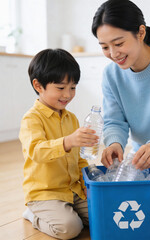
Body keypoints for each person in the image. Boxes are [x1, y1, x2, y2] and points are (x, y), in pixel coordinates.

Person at [92, 0, 150, 223]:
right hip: (142, 160)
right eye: (105, 47)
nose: (113, 53)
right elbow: (115, 120)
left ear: (140, 32)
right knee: (119, 204)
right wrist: (114, 142)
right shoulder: (111, 75)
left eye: (118, 43)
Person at [19, 49, 98, 239]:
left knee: (102, 215)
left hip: (72, 189)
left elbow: (78, 158)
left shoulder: (72, 119)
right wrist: (68, 142)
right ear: (38, 85)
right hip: (45, 193)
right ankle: (33, 214)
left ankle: (70, 212)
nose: (68, 94)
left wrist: (87, 182)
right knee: (70, 229)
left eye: (73, 87)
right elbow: (36, 151)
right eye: (61, 88)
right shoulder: (32, 119)